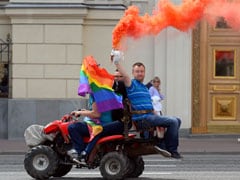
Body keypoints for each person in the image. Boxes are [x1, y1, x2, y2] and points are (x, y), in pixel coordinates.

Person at [111, 50, 182, 159]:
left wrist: (160, 118)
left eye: (142, 71)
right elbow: (124, 75)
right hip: (142, 119)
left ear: (144, 72)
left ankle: (162, 143)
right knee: (172, 121)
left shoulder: (145, 88)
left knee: (177, 120)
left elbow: (151, 107)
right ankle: (170, 149)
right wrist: (116, 61)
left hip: (150, 116)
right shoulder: (131, 84)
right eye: (137, 71)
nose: (140, 73)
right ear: (133, 73)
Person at [68, 94, 125, 163]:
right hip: (107, 123)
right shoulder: (106, 93)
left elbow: (96, 114)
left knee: (73, 127)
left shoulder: (96, 95)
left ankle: (80, 153)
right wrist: (85, 111)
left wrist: (80, 112)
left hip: (98, 124)